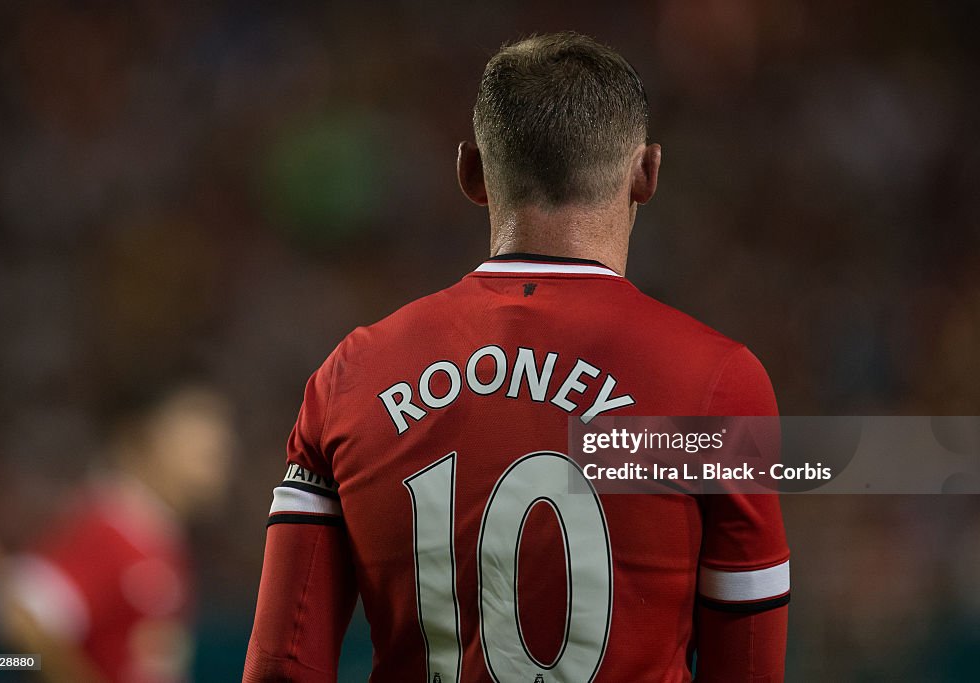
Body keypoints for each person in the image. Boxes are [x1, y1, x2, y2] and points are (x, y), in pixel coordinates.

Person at [244, 32, 789, 682]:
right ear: (647, 172)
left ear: (470, 172)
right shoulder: (717, 384)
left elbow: (282, 665)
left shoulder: (349, 378)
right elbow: (748, 667)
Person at [0, 384, 235, 683]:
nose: (218, 457)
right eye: (199, 442)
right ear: (138, 439)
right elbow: (19, 623)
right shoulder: (109, 531)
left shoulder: (156, 538)